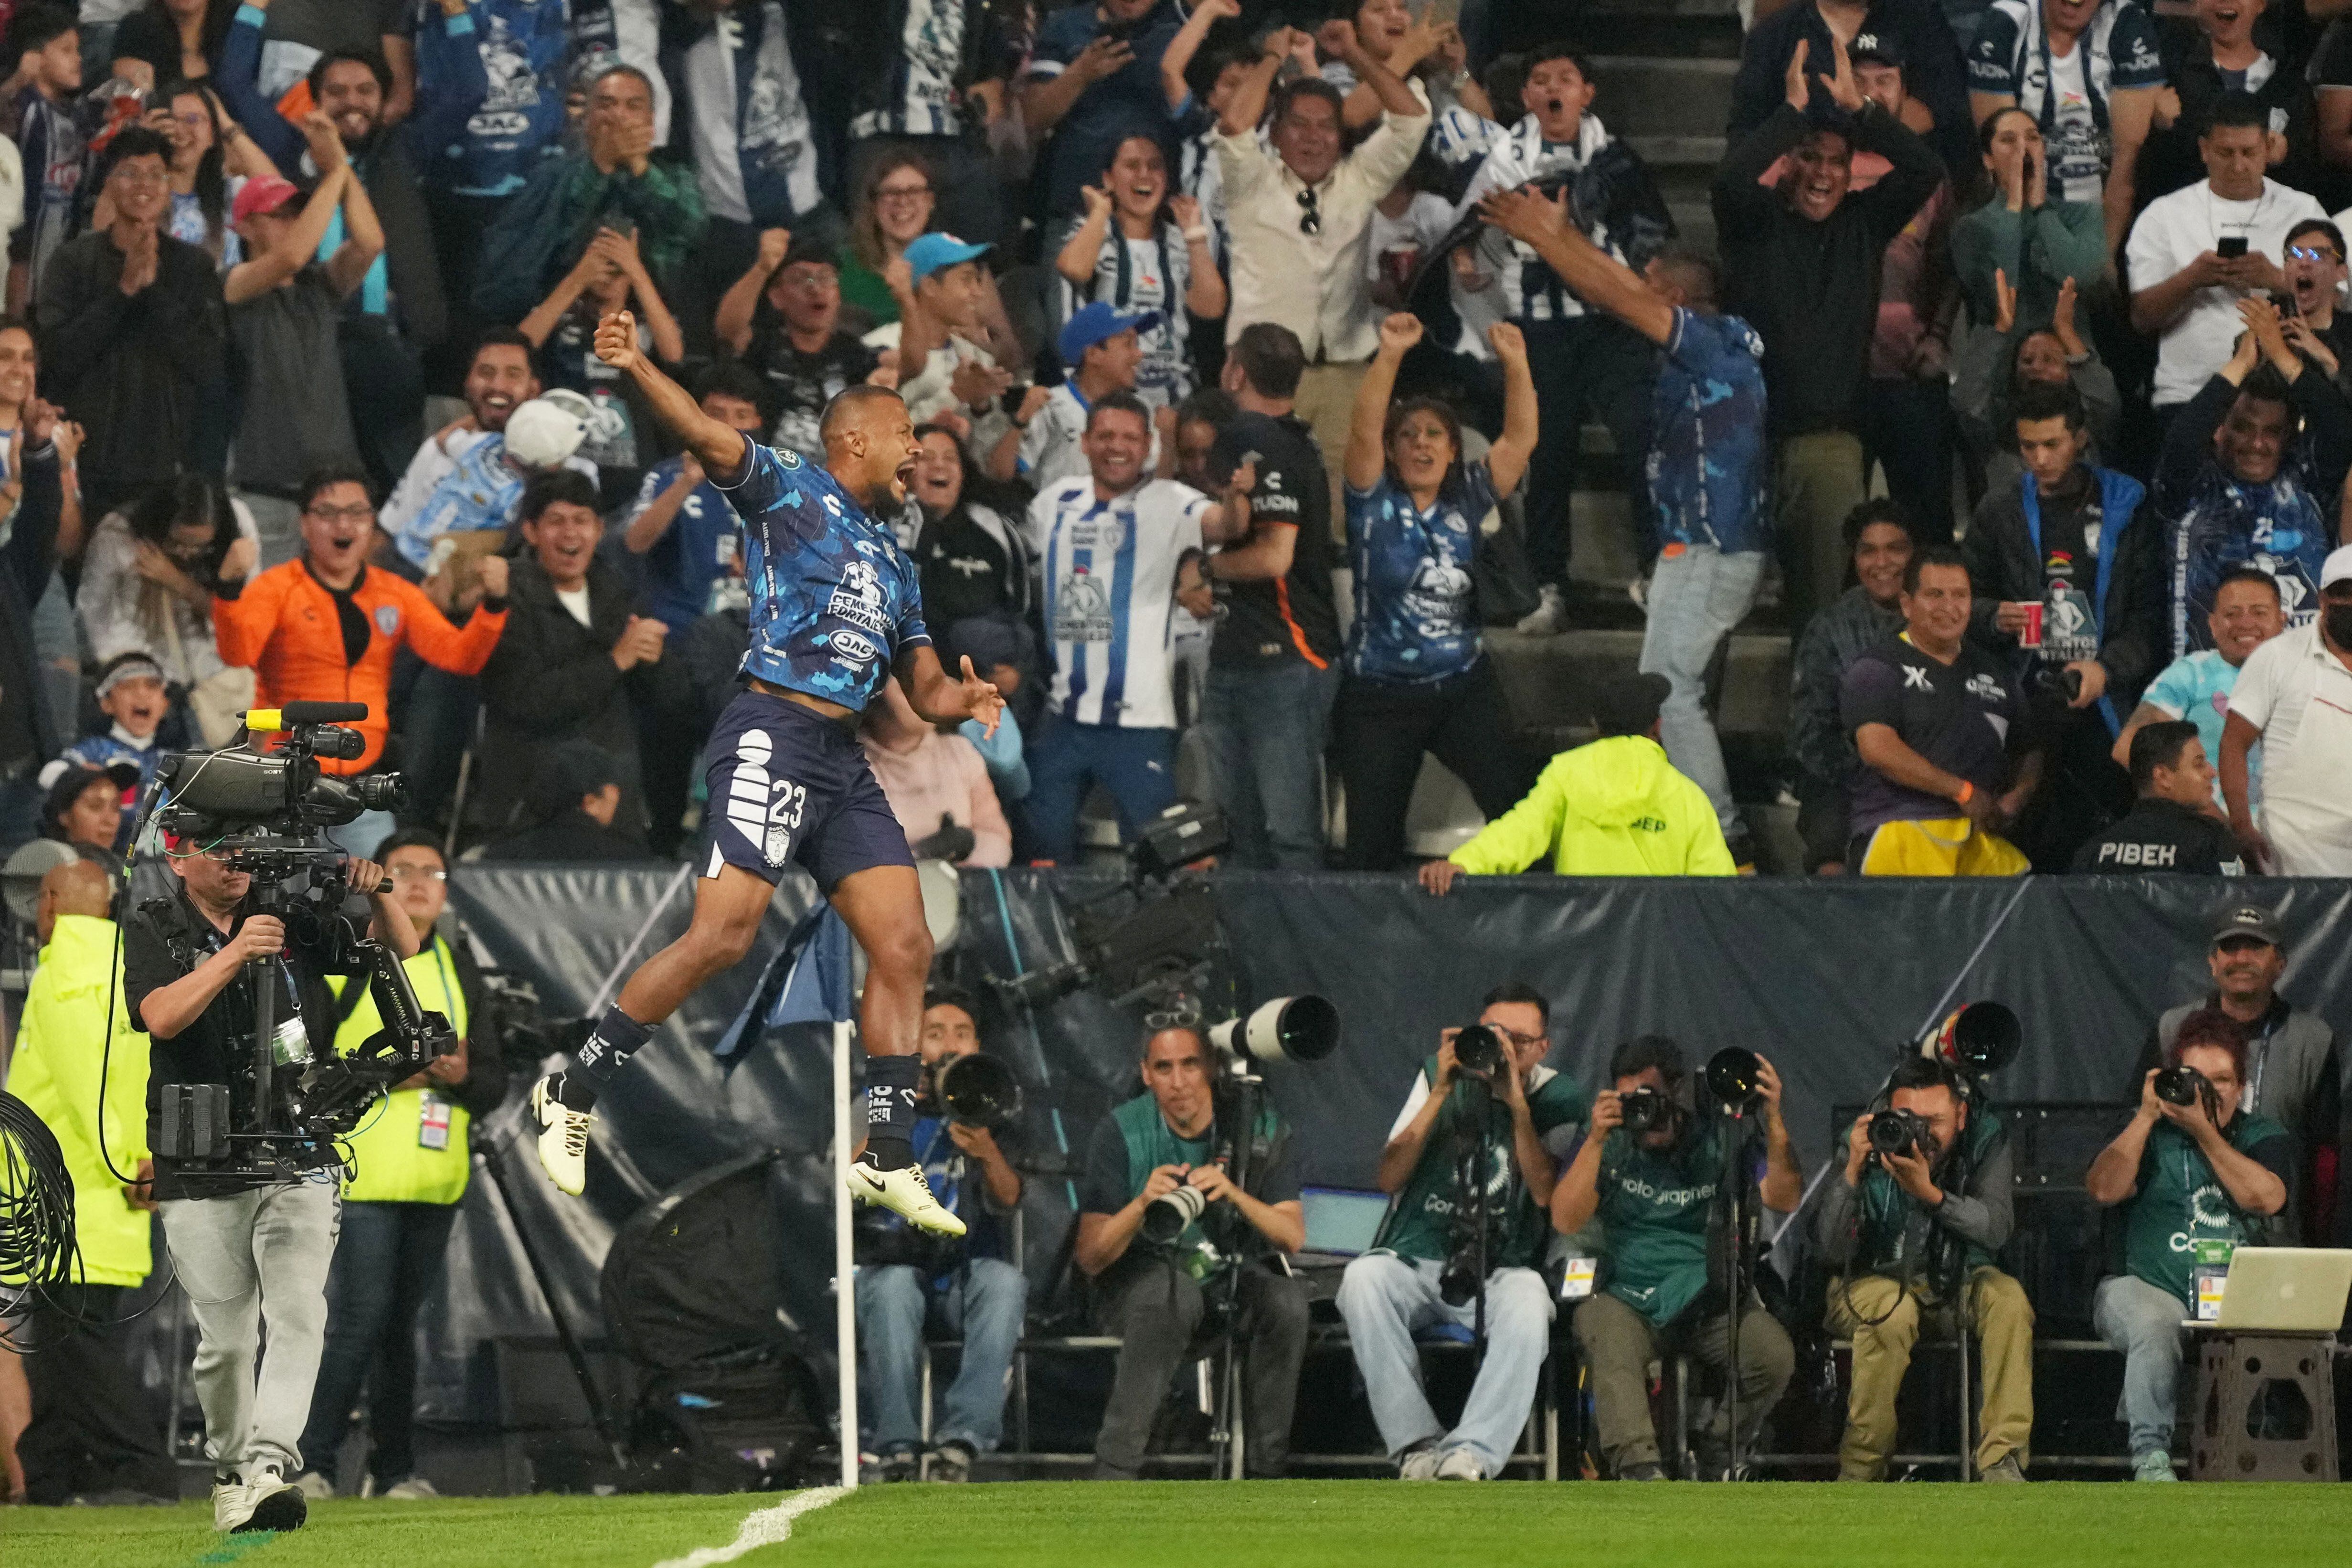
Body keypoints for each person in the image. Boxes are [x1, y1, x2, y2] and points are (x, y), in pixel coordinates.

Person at [528, 314, 1003, 1235]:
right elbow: (707, 436)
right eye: (909, 433)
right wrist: (636, 366)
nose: (920, 450)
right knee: (722, 936)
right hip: (773, 728)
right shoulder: (792, 490)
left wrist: (963, 699)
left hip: (842, 759)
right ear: (853, 439)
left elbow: (926, 686)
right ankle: (573, 1086)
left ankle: (887, 1153)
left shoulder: (899, 565)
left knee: (906, 944)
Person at [124, 838, 417, 1532]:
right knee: (225, 1339)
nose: (233, 865)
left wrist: (379, 891)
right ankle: (229, 1471)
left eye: (242, 851)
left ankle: (267, 1467)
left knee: (299, 1312)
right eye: (216, 851)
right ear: (179, 856)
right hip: (200, 1157)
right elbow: (160, 1016)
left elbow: (395, 950)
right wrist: (234, 954)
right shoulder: (152, 924)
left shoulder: (287, 919)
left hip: (297, 1143)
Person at [1483, 184, 1768, 862]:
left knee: (1672, 692)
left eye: (1652, 284)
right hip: (1700, 548)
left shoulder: (1708, 344)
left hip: (1707, 546)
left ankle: (1724, 839)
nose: (1637, 287)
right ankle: (1694, 835)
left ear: (1675, 298)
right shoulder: (1715, 343)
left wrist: (1547, 241)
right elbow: (1619, 285)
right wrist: (1559, 233)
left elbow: (1616, 296)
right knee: (1665, 686)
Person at [294, 828, 505, 1503]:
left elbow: (492, 1082)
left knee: (396, 1329)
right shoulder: (349, 955)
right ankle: (313, 1465)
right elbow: (302, 1063)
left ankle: (394, 1473)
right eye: (403, 870)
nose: (418, 883)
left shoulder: (459, 963)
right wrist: (389, 1076)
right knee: (359, 1317)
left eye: (432, 873)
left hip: (436, 1180)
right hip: (361, 1174)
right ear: (375, 879)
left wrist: (461, 1075)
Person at [1715, 37, 1943, 638]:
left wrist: (1862, 109)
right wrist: (1790, 112)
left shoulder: (1864, 224)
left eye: (1837, 162)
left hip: (1826, 444)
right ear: (1788, 163)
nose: (1823, 173)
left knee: (1819, 616)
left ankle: (1814, 722)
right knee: (1712, 617)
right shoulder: (1756, 221)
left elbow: (1926, 169)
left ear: (1851, 172)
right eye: (1809, 158)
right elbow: (1731, 177)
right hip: (1741, 442)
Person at [1446, 42, 1670, 636]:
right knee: (1548, 456)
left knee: (1645, 440)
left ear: (1586, 93)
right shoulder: (1503, 157)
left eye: (1566, 79)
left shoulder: (1616, 158)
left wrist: (1645, 275)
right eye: (1540, 80)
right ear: (1525, 97)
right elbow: (1468, 225)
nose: (1553, 89)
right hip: (1540, 323)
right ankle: (1548, 583)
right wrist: (1468, 262)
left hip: (1612, 316)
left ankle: (1658, 573)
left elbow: (1651, 228)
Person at [215, 5, 487, 492]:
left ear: (385, 98)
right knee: (326, 491)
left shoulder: (405, 149)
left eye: (365, 90)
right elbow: (234, 81)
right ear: (314, 102)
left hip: (392, 348)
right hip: (315, 349)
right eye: (336, 93)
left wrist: (454, 10)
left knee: (395, 491)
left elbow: (470, 91)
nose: (351, 103)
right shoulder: (285, 147)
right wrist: (255, 6)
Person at [1336, 984, 1585, 1481]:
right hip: (1419, 1254)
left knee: (1532, 1301)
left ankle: (1472, 1454)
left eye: (1518, 1039)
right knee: (1362, 1279)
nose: (1504, 1048)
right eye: (1495, 1033)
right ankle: (1418, 1448)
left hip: (1503, 1264)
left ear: (1541, 1047)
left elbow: (1543, 1192)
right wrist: (1444, 1088)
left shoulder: (1559, 1095)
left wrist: (1516, 1103)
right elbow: (1389, 1176)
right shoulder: (1438, 1073)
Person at [1333, 313, 1537, 872]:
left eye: (1435, 436)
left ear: (1454, 450)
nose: (1421, 444)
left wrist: (1516, 364)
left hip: (1462, 690)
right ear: (1394, 449)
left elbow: (1520, 439)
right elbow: (1362, 430)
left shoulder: (1469, 497)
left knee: (1521, 810)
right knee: (1369, 847)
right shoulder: (1371, 501)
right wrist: (1391, 354)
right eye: (1409, 435)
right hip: (1379, 697)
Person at [1213, 25, 1431, 536]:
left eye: (1326, 126)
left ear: (1342, 134)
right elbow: (1233, 124)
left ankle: (1336, 613)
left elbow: (1411, 118)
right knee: (1259, 514)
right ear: (1276, 132)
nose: (1314, 137)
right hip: (1260, 375)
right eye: (1300, 125)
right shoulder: (1250, 182)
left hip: (1345, 372)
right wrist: (1272, 58)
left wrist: (1357, 52)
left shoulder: (1360, 178)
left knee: (1343, 517)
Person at [2, 859, 173, 1507]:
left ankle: (142, 1470)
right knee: (58, 1349)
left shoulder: (64, 975)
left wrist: (118, 1164)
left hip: (72, 1192)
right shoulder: (125, 969)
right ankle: (48, 1476)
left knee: (82, 1350)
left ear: (48, 903)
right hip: (105, 1192)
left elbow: (83, 1086)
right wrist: (144, 1156)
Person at [1555, 1036, 1801, 1482]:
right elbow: (1566, 1219)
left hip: (1708, 1294)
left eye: (1652, 1100)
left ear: (1680, 1092)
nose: (1644, 1114)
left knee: (1771, 1355)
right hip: (1627, 1294)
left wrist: (1774, 1120)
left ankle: (1717, 1450)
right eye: (1632, 1101)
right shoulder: (1611, 1139)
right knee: (1604, 1332)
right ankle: (1638, 1467)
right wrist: (1595, 1140)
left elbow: (1784, 1198)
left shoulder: (1721, 1134)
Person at [209, 468, 512, 825]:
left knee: (371, 877)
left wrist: (494, 607)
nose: (344, 525)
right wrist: (228, 589)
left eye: (357, 513)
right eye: (327, 513)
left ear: (373, 524)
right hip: (283, 770)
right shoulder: (277, 587)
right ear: (305, 525)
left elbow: (460, 657)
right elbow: (237, 654)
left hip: (363, 780)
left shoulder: (395, 593)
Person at [1074, 1020, 1309, 1481]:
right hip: (1139, 1285)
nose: (1178, 1082)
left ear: (1212, 1068)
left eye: (1190, 1065)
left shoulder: (1254, 1125)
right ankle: (1115, 1472)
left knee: (1286, 1302)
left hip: (1227, 1279)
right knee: (1173, 1295)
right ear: (1146, 1074)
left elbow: (1292, 1238)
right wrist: (1142, 1203)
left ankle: (1266, 1477)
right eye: (1164, 1068)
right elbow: (1091, 1256)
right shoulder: (1122, 1130)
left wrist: (1233, 1193)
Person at [1022, 391, 1250, 862]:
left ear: (1149, 445)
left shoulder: (1172, 501)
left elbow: (1226, 527)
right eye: (1105, 435)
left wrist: (1235, 493)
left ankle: (1155, 939)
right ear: (1084, 442)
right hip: (1063, 716)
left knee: (1156, 860)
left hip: (1139, 723)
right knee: (1043, 854)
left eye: (1129, 437)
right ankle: (1057, 938)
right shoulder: (1053, 502)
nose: (1116, 446)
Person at [1960, 379, 2162, 866]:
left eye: (2052, 444)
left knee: (2107, 826)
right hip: (2024, 691)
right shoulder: (1999, 510)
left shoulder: (2125, 507)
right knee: (2026, 830)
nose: (2040, 458)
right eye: (2029, 446)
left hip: (2105, 700)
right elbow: (1963, 600)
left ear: (2081, 438)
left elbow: (2148, 616)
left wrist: (2106, 668)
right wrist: (1994, 615)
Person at [2087, 1008, 2289, 1482]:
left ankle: (2264, 1456)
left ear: (2241, 1087)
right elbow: (2103, 1189)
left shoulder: (2262, 1135)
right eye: (2197, 1078)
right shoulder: (2147, 1135)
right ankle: (2151, 1458)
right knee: (2156, 1320)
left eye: (2222, 1079)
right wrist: (2145, 1114)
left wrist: (2205, 1131)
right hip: (2145, 1287)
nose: (2209, 1090)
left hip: (2238, 1297)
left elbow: (2268, 1197)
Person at [1816, 1056, 2033, 1483]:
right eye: (1907, 1119)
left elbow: (1996, 1228)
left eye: (1934, 1121)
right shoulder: (1868, 1140)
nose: (1921, 1134)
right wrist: (1852, 1174)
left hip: (1958, 1279)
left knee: (2008, 1299)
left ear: (1961, 1114)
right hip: (1869, 1283)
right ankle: (1862, 1469)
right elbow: (1828, 1248)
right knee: (1891, 1315)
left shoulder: (1985, 1138)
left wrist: (1932, 1196)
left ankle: (2001, 1461)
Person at [855, 988, 1027, 1482]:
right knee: (890, 1289)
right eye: (935, 1034)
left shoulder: (994, 1098)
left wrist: (986, 1147)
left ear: (977, 1043)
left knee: (1005, 1282)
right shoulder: (881, 1101)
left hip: (964, 1278)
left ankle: (962, 1442)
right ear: (915, 1043)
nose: (949, 1043)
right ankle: (899, 1448)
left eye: (961, 1032)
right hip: (896, 1268)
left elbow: (1011, 1199)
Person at [1195, 322, 1342, 871]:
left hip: (1284, 658)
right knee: (1252, 837)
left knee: (1286, 836)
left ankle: (1294, 956)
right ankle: (1264, 952)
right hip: (1254, 653)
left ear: (1236, 371)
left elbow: (1274, 556)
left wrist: (1202, 570)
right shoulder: (1300, 439)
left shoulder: (1250, 437)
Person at [34, 126, 226, 520]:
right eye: (130, 172)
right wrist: (123, 291)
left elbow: (209, 364)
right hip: (90, 465)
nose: (144, 185)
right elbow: (56, 360)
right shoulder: (72, 262)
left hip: (170, 470)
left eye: (156, 174)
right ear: (108, 182)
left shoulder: (194, 267)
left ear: (169, 185)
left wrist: (152, 291)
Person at [472, 469, 668, 842]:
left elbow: (666, 700)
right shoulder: (506, 596)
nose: (570, 534)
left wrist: (656, 660)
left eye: (582, 521)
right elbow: (526, 699)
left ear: (598, 529)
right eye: (556, 522)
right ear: (531, 532)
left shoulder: (616, 590)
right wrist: (616, 662)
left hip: (612, 799)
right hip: (529, 800)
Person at [2153, 302, 2352, 661]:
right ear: (2219, 427)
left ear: (2289, 435)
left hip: (2300, 683)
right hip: (2206, 687)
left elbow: (2339, 428)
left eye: (2272, 432)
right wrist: (2242, 364)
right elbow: (2183, 439)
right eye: (2242, 428)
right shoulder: (2191, 487)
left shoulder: (2309, 481)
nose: (2257, 444)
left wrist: (2282, 357)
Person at [2141, 904, 2345, 1245]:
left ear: (2280, 962)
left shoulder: (2312, 1041)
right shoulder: (2172, 1029)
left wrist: (2316, 1240)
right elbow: (2138, 1123)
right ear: (2213, 962)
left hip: (2274, 1233)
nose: (2242, 959)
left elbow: (2324, 1157)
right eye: (2231, 948)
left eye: (2256, 947)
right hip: (2184, 1231)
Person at [1420, 675, 1736, 890]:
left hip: (1582, 941)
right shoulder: (1685, 794)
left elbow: (1519, 832)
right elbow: (1715, 889)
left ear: (1595, 726)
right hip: (1655, 948)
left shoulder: (1565, 774)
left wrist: (1463, 864)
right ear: (1657, 726)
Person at [1840, 544, 2043, 874]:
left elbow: (2029, 749)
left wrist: (2018, 795)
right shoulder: (1877, 667)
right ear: (1907, 604)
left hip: (1980, 839)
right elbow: (1878, 749)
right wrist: (1961, 791)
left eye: (1960, 596)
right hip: (1902, 830)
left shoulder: (1996, 671)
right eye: (1935, 595)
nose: (1949, 607)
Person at [2127, 92, 2326, 422]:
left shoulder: (2302, 213)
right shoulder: (2165, 216)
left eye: (2249, 152)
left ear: (2268, 147)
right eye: (2225, 152)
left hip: (2283, 394)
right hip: (2189, 392)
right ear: (2205, 150)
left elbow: (2335, 295)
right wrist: (2192, 279)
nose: (2238, 165)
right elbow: (2142, 319)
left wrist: (2277, 279)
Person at [221, 123, 386, 521]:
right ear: (242, 226)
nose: (292, 224)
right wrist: (334, 172)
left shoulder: (319, 287)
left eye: (298, 214)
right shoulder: (231, 283)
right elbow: (291, 257)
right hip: (266, 487)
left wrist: (341, 166)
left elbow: (370, 243)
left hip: (337, 485)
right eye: (278, 216)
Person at [472, 65, 704, 325]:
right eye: (607, 104)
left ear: (650, 120)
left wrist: (641, 169)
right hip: (557, 322)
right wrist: (601, 167)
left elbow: (692, 231)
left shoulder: (676, 175)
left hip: (655, 328)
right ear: (587, 116)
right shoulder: (553, 175)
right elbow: (541, 249)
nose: (618, 116)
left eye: (633, 106)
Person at [1966, 0, 2166, 260]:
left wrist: (2100, 261)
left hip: (2104, 214)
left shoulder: (2126, 23)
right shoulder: (2004, 24)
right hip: (2026, 210)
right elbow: (2005, 160)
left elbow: (2126, 162)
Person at [518, 221, 684, 510]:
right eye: (600, 264)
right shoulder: (559, 315)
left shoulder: (646, 323)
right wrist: (578, 279)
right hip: (565, 473)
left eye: (617, 268)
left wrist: (636, 270)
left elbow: (674, 354)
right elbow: (516, 349)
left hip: (634, 476)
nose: (607, 276)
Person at [1054, 132, 1226, 408]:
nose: (1144, 175)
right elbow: (1073, 268)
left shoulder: (1179, 241)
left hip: (1171, 401)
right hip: (1099, 400)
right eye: (1132, 166)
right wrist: (1100, 211)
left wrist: (1194, 236)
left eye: (1155, 166)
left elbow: (1211, 308)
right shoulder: (1092, 233)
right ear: (1109, 178)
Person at [1791, 501, 1918, 873]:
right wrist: (1873, 774)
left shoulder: (1942, 615)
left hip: (1932, 773)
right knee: (1831, 847)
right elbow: (1810, 732)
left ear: (1915, 554)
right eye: (1869, 551)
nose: (1882, 563)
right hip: (1847, 778)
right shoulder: (1830, 628)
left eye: (1895, 549)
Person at [2219, 544, 2352, 873]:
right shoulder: (2277, 657)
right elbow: (2234, 743)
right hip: (2295, 857)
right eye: (2344, 595)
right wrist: (2241, 825)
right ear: (2322, 600)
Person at [839, 0, 1014, 250]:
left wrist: (994, 82)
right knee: (882, 258)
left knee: (970, 256)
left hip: (956, 139)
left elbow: (992, 48)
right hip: (882, 132)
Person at [1729, 0, 1975, 175]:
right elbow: (1747, 129)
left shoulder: (1917, 17)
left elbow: (1942, 104)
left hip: (1897, 187)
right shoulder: (1775, 34)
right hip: (1801, 191)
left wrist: (1859, 163)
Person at [2112, 565, 2284, 813]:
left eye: (2259, 613)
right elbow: (2129, 749)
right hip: (2211, 837)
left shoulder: (2310, 673)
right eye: (2232, 614)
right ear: (2213, 625)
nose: (2246, 623)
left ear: (2282, 620)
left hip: (2299, 834)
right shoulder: (2191, 674)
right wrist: (2205, 815)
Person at [622, 362, 765, 637]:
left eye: (741, 415)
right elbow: (635, 543)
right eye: (717, 414)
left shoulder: (773, 486)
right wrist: (687, 482)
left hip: (747, 638)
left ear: (757, 423)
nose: (729, 426)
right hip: (677, 634)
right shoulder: (668, 476)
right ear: (696, 415)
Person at [1020, 0, 1187, 225]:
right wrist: (1080, 74)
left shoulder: (1180, 26)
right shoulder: (1066, 27)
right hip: (1077, 208)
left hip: (1161, 212)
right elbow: (1034, 118)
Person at [1950, 107, 2108, 344]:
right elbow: (2001, 297)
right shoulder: (1971, 227)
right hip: (2002, 359)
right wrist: (2014, 203)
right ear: (1988, 160)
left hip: (2070, 356)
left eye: (2033, 138)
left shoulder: (2080, 211)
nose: (2022, 148)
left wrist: (2041, 209)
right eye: (2008, 140)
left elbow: (2079, 275)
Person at [2140, 0, 2319, 206]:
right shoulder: (2174, 79)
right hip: (2193, 220)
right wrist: (2162, 129)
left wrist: (2288, 154)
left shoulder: (2290, 87)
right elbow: (2153, 175)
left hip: (2270, 221)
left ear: (2261, 4)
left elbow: (2311, 173)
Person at [718, 233, 880, 456]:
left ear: (838, 295)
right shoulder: (763, 345)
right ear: (776, 297)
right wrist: (763, 268)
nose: (815, 288)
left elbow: (912, 365)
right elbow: (728, 330)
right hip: (769, 470)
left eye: (825, 278)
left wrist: (906, 300)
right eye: (799, 279)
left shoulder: (853, 351)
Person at [990, 300, 1155, 488]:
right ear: (1093, 354)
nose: (1139, 355)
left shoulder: (1142, 409)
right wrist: (1021, 420)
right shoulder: (1052, 404)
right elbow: (1001, 473)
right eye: (1128, 344)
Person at [0, 396, 67, 850]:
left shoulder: (9, 571)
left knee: (22, 907)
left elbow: (40, 525)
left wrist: (40, 453)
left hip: (19, 773)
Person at [859, 678, 1011, 868]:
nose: (923, 698)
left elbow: (1000, 844)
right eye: (906, 687)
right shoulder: (847, 768)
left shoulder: (960, 753)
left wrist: (969, 844)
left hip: (960, 891)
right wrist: (921, 856)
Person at [2070, 720, 2246, 871]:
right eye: (2199, 764)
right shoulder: (2210, 843)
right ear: (2163, 776)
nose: (2212, 772)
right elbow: (2235, 903)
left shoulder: (2094, 851)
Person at [8, 6, 85, 306]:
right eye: (66, 50)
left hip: (61, 262)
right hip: (18, 265)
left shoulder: (78, 116)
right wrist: (17, 81)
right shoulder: (23, 107)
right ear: (34, 57)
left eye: (78, 50)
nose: (79, 59)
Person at [478, 740, 647, 863]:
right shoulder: (631, 862)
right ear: (590, 802)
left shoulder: (500, 857)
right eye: (612, 789)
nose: (617, 798)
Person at [50, 650, 170, 805]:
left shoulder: (176, 759)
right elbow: (51, 774)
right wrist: (85, 778)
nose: (141, 694)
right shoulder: (95, 750)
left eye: (152, 686)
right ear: (107, 704)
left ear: (165, 705)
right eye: (127, 686)